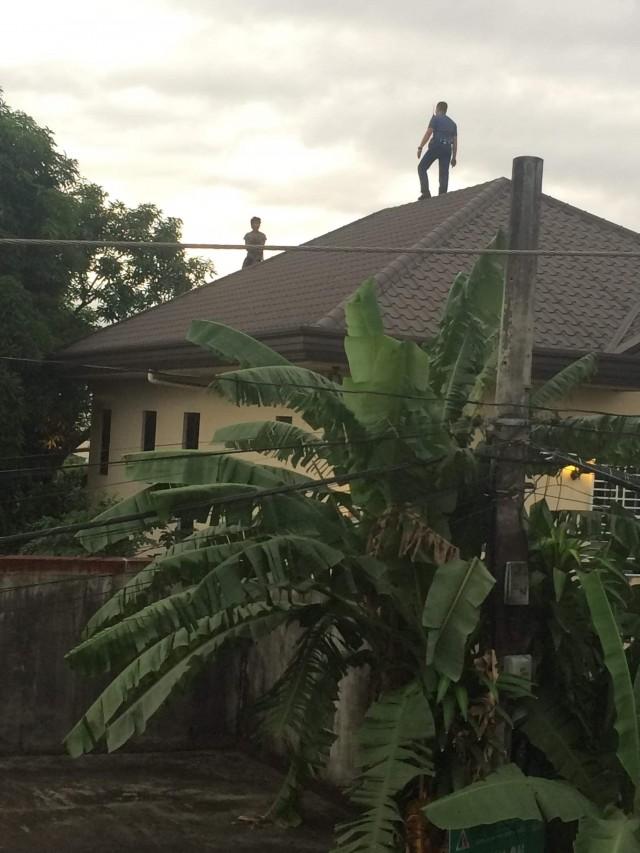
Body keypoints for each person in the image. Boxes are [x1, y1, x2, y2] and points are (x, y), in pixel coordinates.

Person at [416, 101, 458, 200]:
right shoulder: (453, 124)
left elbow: (429, 132)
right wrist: (454, 157)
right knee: (444, 174)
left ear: (438, 109)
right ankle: (442, 196)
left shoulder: (435, 118)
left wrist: (420, 147)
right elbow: (455, 142)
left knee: (421, 168)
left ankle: (425, 193)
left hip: (436, 146)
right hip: (447, 149)